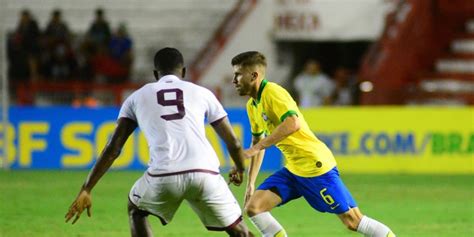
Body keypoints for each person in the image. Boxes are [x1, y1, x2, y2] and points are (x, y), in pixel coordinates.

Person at [65, 47, 253, 237]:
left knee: (136, 209)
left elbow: (113, 148)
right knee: (239, 231)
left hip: (164, 176)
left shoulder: (136, 97)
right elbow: (235, 143)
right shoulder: (202, 93)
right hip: (205, 174)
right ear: (184, 72)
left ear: (155, 74)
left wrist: (87, 188)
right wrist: (239, 168)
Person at [231, 51, 396, 237]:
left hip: (315, 167)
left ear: (254, 76)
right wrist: (250, 183)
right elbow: (257, 142)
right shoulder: (252, 105)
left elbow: (293, 123)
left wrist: (257, 148)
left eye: (238, 74)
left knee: (353, 221)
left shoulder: (273, 93)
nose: (234, 80)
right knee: (255, 207)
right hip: (294, 169)